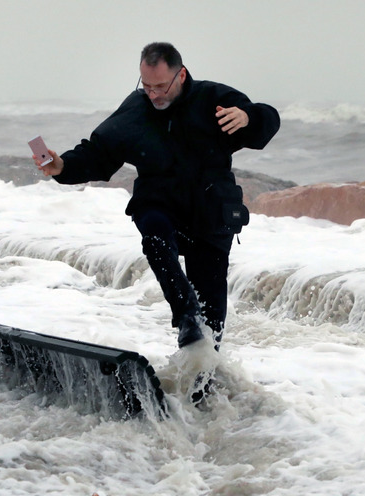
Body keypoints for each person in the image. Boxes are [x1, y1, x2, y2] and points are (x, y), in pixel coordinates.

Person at [34, 42, 280, 351]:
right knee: (155, 236)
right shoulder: (136, 108)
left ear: (181, 75)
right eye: (147, 86)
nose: (154, 95)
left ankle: (201, 386)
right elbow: (99, 152)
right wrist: (62, 167)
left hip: (210, 213)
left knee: (211, 326)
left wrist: (248, 118)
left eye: (161, 86)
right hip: (160, 205)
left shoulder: (213, 99)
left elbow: (267, 118)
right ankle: (185, 312)